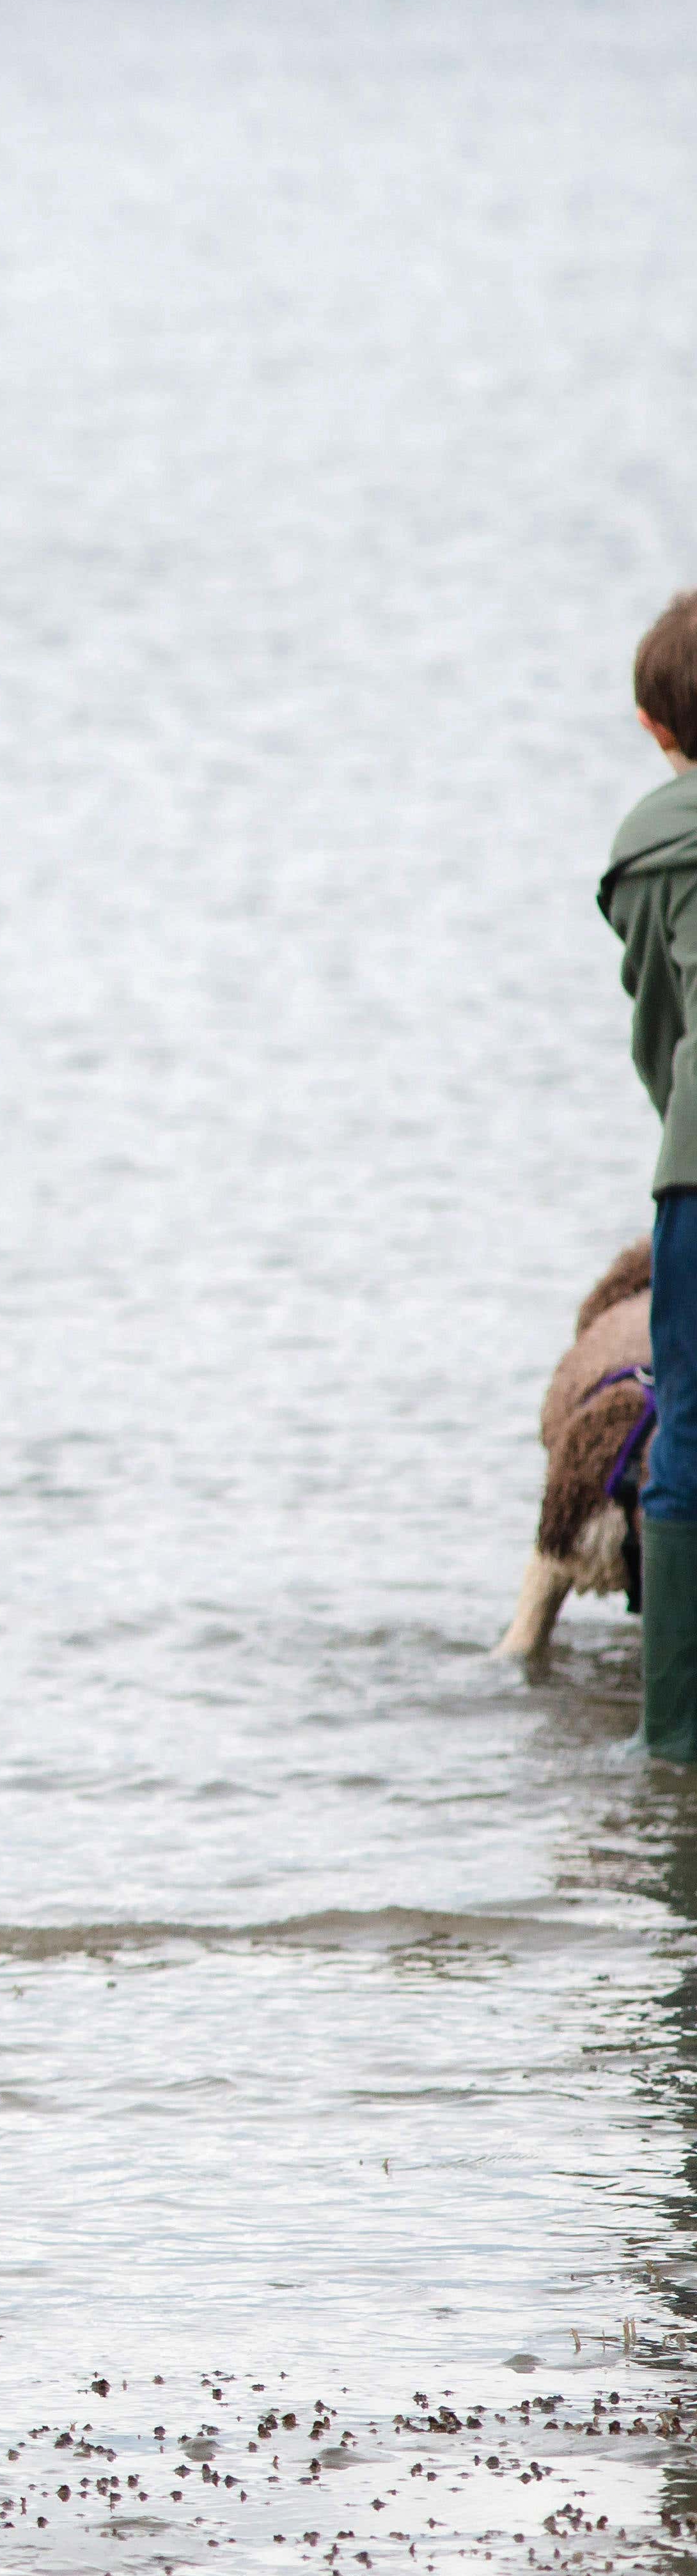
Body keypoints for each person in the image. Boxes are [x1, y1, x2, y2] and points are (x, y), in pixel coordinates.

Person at [599, 587, 697, 1758]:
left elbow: (661, 1036)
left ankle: (674, 1739)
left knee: (689, 1440)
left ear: (650, 726)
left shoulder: (651, 846)